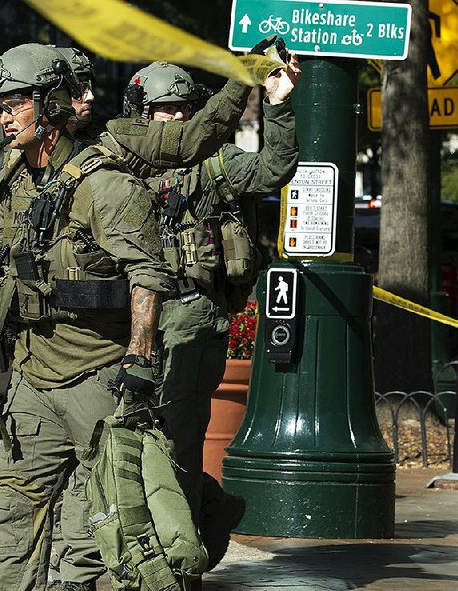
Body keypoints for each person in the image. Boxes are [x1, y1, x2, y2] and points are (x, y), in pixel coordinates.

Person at [0, 43, 175, 591]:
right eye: (0, 106)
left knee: (92, 539)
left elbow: (148, 275)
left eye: (16, 103)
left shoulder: (105, 186)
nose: (5, 116)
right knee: (12, 527)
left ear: (52, 105)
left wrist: (139, 358)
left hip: (97, 379)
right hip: (31, 378)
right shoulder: (7, 187)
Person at [119, 49, 300, 573]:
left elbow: (274, 170)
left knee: (178, 439)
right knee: (130, 440)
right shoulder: (119, 165)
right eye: (160, 110)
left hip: (190, 318)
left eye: (180, 108)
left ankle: (185, 552)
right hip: (129, 322)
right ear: (141, 115)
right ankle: (202, 519)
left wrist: (278, 105)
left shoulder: (215, 163)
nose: (172, 118)